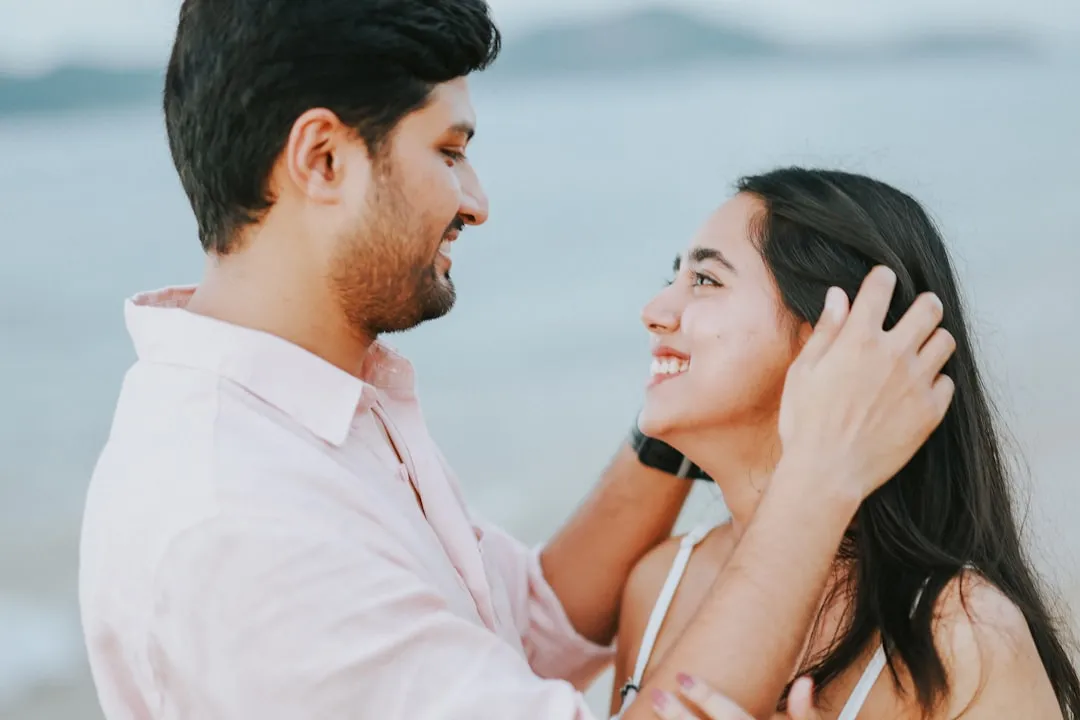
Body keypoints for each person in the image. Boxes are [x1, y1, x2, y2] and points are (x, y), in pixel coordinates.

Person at [77, 3, 955, 719]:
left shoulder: (319, 420)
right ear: (324, 158)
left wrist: (680, 416)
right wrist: (819, 477)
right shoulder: (239, 516)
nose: (477, 201)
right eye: (449, 152)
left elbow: (528, 619)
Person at [612, 168, 1080, 720]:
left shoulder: (961, 634)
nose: (654, 311)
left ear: (837, 340)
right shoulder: (660, 585)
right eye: (675, 277)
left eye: (706, 281)